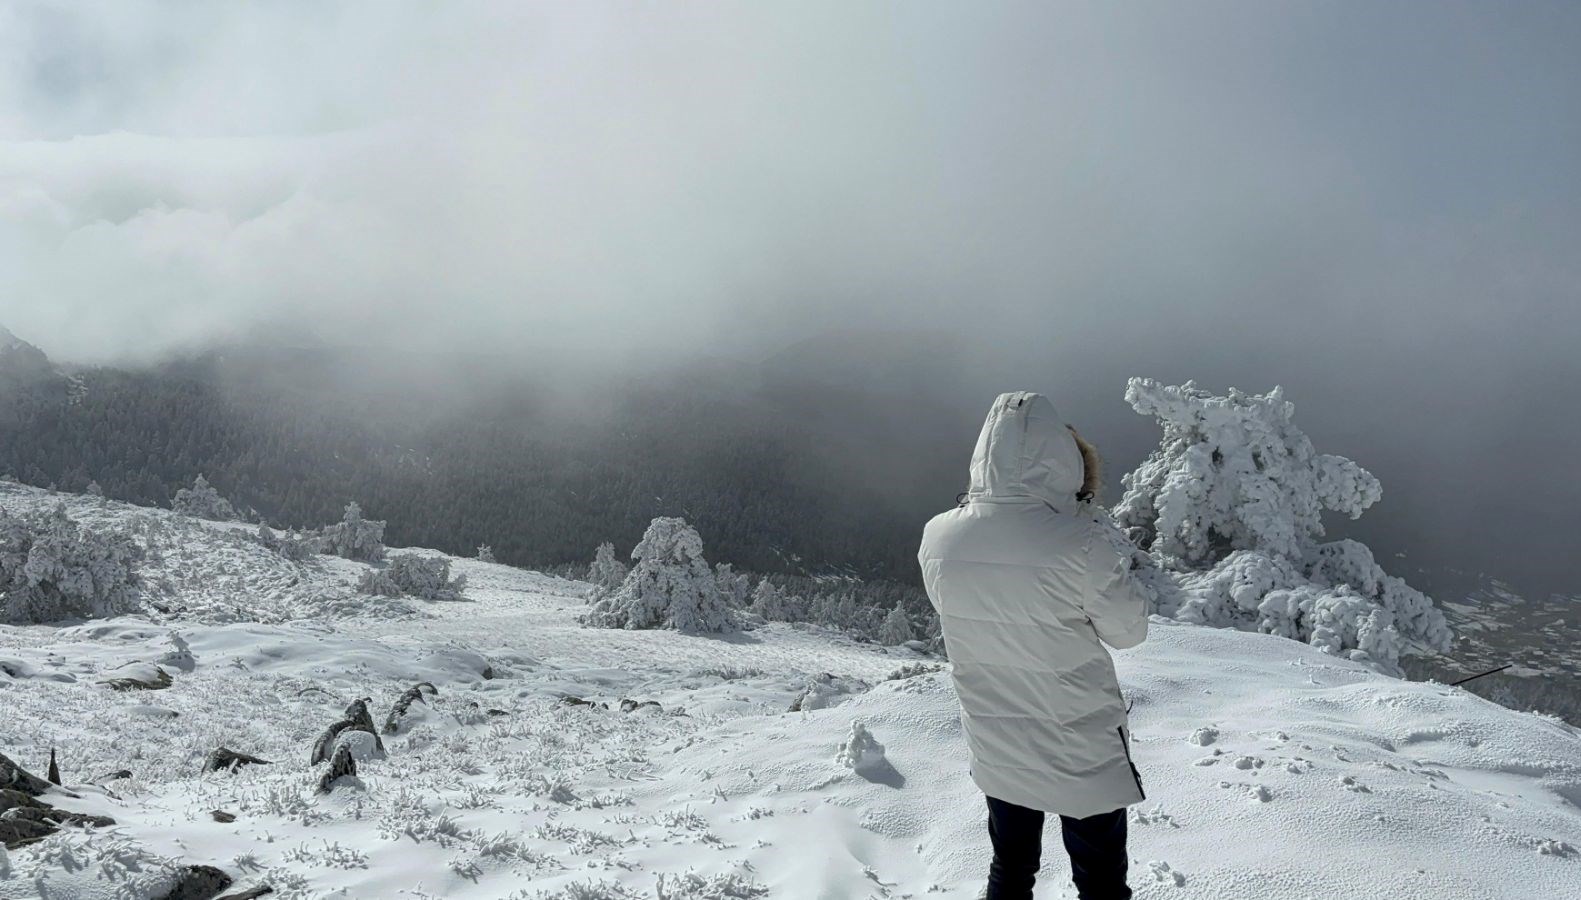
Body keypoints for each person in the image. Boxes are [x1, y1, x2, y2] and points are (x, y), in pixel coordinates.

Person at [918, 391, 1151, 900]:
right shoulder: (1081, 544)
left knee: (1010, 866)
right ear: (1065, 466)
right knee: (1101, 883)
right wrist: (1082, 523)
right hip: (1079, 741)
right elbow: (1129, 632)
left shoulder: (937, 537)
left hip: (996, 736)